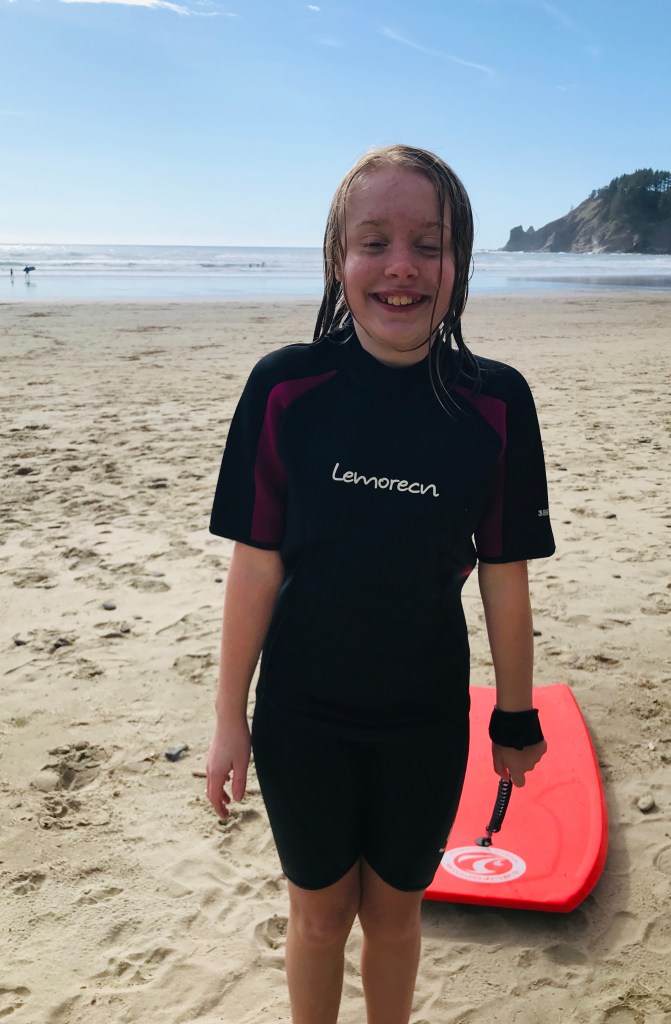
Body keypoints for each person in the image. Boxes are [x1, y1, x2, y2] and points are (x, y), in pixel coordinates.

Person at [206, 144, 555, 1024]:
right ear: (337, 259)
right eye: (373, 242)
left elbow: (503, 573)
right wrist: (226, 720)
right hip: (302, 711)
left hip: (426, 712)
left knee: (396, 913)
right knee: (320, 916)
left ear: (459, 263)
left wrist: (515, 713)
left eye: (427, 245)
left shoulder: (495, 403)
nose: (400, 268)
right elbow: (256, 560)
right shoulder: (287, 389)